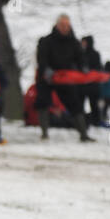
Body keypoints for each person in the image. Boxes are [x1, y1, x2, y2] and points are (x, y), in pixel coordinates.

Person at [35, 14, 92, 143]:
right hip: (47, 77)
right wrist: (46, 71)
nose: (65, 28)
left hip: (65, 78)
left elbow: (81, 58)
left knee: (75, 104)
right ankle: (44, 133)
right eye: (62, 25)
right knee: (42, 102)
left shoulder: (74, 42)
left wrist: (83, 68)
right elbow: (41, 59)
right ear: (57, 25)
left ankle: (83, 134)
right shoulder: (46, 41)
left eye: (67, 25)